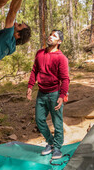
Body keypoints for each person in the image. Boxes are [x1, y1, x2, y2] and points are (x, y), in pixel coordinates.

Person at [26, 30, 70, 160]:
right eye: (51, 34)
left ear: (59, 41)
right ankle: (50, 142)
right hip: (41, 93)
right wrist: (30, 86)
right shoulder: (40, 53)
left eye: (55, 36)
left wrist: (62, 96)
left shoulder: (61, 58)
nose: (51, 37)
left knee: (57, 122)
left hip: (55, 94)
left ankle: (57, 148)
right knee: (39, 120)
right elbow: (35, 70)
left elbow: (65, 79)